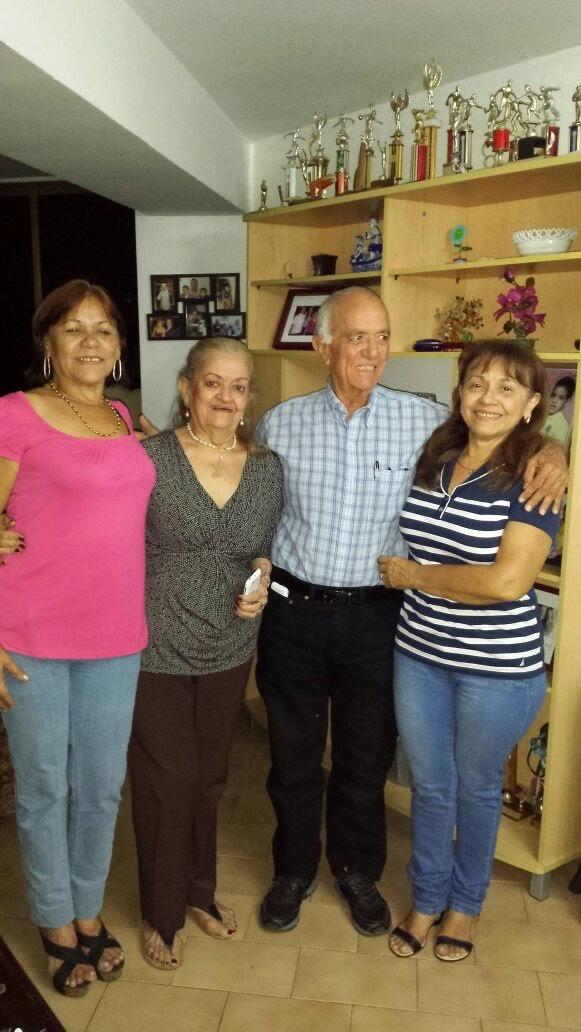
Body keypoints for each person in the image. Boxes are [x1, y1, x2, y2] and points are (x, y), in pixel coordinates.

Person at [254, 287, 567, 938]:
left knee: (365, 760)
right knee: (291, 755)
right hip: (295, 613)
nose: (372, 352)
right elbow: (256, 510)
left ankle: (356, 871)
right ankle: (292, 871)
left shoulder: (422, 423)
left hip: (380, 620)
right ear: (322, 346)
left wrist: (552, 452)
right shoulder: (280, 423)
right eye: (355, 338)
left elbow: (506, 437)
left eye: (381, 337)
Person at [379, 339, 560, 962]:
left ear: (532, 403)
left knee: (477, 787)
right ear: (460, 391)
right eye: (478, 382)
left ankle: (465, 906)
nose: (489, 398)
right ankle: (427, 899)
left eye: (508, 387)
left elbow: (508, 582)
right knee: (431, 786)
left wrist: (414, 577)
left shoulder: (538, 477)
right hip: (419, 653)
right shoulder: (437, 454)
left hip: (496, 671)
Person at [0, 280, 155, 996]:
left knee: (99, 788)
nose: (90, 342)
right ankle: (55, 920)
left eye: (103, 330)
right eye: (73, 330)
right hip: (28, 632)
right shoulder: (14, 414)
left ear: (119, 346)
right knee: (42, 789)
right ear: (48, 343)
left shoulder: (124, 418)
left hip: (117, 634)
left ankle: (88, 909)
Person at [129, 338, 282, 970]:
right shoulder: (147, 458)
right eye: (213, 382)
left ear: (250, 397)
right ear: (188, 387)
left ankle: (199, 890)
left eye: (239, 385)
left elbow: (262, 548)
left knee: (211, 775)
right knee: (169, 777)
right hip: (152, 638)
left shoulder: (267, 466)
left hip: (230, 641)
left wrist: (263, 576)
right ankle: (160, 911)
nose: (226, 396)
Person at [543, 375, 575, 444]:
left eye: (561, 397)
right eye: (553, 395)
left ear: (567, 401)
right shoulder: (541, 415)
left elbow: (558, 451)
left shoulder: (562, 425)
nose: (554, 400)